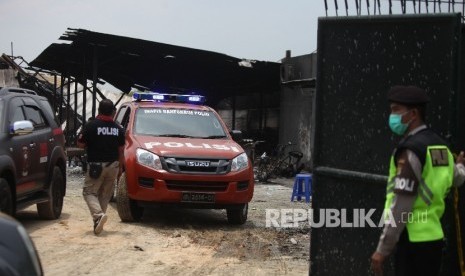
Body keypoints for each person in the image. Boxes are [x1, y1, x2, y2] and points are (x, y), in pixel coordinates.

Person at [371, 85, 465, 276]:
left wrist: (383, 249)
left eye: (396, 110)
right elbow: (457, 178)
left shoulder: (412, 151)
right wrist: (461, 165)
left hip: (411, 240)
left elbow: (401, 206)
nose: (392, 115)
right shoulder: (440, 147)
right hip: (434, 238)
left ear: (413, 114)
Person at [77, 99, 125, 235]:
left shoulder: (91, 125)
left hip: (96, 167)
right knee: (105, 195)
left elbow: (80, 144)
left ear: (99, 110)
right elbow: (121, 150)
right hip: (114, 166)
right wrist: (120, 167)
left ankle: (98, 216)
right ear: (113, 112)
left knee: (89, 192)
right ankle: (98, 224)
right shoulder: (118, 128)